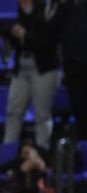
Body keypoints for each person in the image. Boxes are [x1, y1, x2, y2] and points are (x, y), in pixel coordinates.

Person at [47, 0, 87, 140]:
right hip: (70, 58)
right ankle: (84, 144)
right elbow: (49, 25)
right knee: (78, 106)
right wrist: (61, 4)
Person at [2, 0, 60, 152]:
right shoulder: (18, 11)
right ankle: (8, 154)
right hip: (21, 69)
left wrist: (25, 36)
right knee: (13, 112)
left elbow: (47, 43)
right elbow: (7, 32)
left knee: (42, 116)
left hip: (43, 70)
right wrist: (14, 33)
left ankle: (42, 155)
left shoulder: (46, 8)